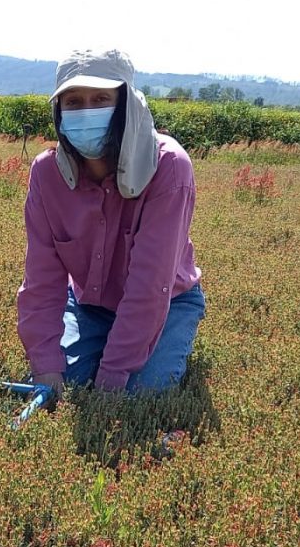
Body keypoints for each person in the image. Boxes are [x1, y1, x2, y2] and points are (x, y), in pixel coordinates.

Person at [17, 48, 205, 396]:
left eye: (101, 98)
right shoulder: (47, 175)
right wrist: (45, 366)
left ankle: (170, 338)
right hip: (90, 303)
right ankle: (111, 344)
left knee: (137, 395)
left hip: (169, 302)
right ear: (58, 111)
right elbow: (41, 282)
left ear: (126, 105)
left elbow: (150, 286)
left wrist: (112, 379)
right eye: (73, 102)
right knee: (64, 385)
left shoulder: (169, 168)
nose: (86, 111)